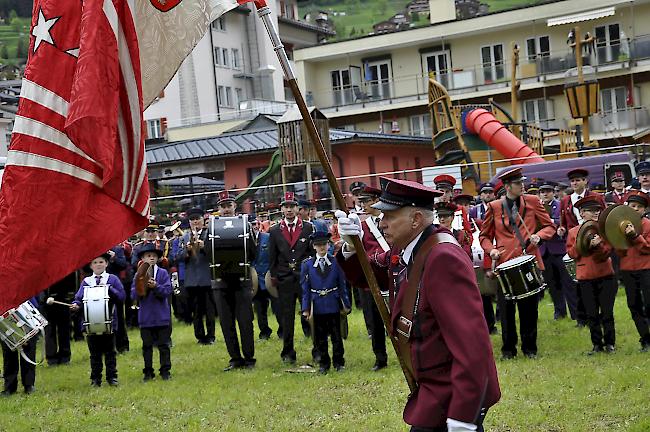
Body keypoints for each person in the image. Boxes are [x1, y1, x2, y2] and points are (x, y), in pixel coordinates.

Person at [338, 177, 500, 431]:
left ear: (415, 219)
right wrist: (350, 246)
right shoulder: (406, 247)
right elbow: (369, 275)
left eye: (390, 216)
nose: (382, 223)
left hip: (451, 393)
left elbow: (472, 344)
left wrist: (463, 415)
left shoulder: (443, 257)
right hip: (433, 390)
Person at [479, 167, 556, 359]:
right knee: (505, 310)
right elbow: (484, 236)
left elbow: (549, 226)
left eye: (523, 182)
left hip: (528, 260)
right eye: (518, 183)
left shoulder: (532, 202)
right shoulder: (495, 206)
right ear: (507, 186)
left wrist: (539, 235)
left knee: (529, 308)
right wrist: (492, 250)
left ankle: (530, 349)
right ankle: (508, 350)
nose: (523, 186)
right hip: (505, 264)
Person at [337, 185, 389, 371]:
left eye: (366, 201)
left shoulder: (391, 220)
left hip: (393, 275)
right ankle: (380, 357)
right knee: (374, 322)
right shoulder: (362, 225)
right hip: (372, 278)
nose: (363, 205)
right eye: (361, 202)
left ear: (376, 200)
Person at [212, 191, 257, 371]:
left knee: (245, 320)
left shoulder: (245, 225)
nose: (226, 209)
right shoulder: (212, 227)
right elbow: (209, 253)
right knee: (226, 322)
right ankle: (235, 358)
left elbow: (253, 252)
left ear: (234, 207)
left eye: (228, 205)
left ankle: (249, 358)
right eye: (222, 206)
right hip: (220, 282)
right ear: (218, 209)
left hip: (241, 280)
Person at [566, 195, 617, 354]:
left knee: (607, 312)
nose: (596, 213)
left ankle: (610, 343)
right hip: (586, 277)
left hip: (606, 275)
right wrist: (586, 243)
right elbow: (572, 253)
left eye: (597, 210)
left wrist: (599, 245)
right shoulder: (573, 232)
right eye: (591, 211)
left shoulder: (604, 229)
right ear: (581, 213)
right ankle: (597, 344)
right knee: (592, 313)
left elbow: (606, 253)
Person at [268, 191, 314, 364]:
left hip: (303, 278)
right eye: (286, 206)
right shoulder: (274, 230)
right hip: (284, 278)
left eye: (292, 206)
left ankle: (317, 349)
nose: (289, 210)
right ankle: (288, 352)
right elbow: (272, 257)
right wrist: (274, 276)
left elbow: (311, 253)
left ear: (297, 208)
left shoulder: (308, 227)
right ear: (282, 209)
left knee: (309, 315)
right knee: (286, 318)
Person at [71, 253, 126, 386]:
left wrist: (110, 289)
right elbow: (79, 298)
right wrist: (75, 304)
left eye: (101, 262)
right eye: (95, 262)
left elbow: (122, 297)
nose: (98, 265)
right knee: (94, 353)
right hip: (90, 322)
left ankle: (112, 376)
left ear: (106, 264)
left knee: (110, 352)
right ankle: (95, 378)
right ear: (91, 266)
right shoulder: (86, 282)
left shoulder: (112, 279)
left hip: (109, 321)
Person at [301, 231, 350, 374]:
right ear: (314, 246)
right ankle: (324, 363)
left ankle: (339, 362)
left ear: (329, 245)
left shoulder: (336, 262)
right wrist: (305, 309)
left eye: (324, 244)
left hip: (333, 303)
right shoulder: (307, 265)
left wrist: (346, 304)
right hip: (317, 306)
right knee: (319, 337)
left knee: (337, 335)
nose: (322, 247)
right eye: (318, 245)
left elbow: (342, 285)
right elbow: (305, 289)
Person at [558, 168, 596, 327]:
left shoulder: (595, 197)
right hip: (575, 243)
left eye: (578, 180)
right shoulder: (566, 200)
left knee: (593, 280)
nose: (574, 183)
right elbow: (563, 222)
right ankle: (580, 317)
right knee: (577, 280)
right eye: (572, 181)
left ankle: (595, 313)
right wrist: (561, 230)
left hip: (594, 241)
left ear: (585, 181)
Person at [131, 244, 173, 381]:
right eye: (148, 256)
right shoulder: (138, 274)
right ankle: (148, 372)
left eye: (154, 256)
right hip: (146, 317)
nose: (151, 258)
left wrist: (156, 287)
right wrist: (142, 287)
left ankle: (165, 370)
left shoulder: (162, 273)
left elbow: (167, 291)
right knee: (147, 346)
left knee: (164, 345)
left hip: (161, 316)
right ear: (142, 259)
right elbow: (134, 295)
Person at [616, 190, 650, 352]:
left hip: (646, 269)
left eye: (639, 207)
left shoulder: (647, 224)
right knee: (634, 304)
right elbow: (619, 250)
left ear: (644, 210)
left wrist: (635, 236)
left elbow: (647, 248)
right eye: (632, 206)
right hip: (628, 269)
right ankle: (645, 339)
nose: (635, 209)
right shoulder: (620, 226)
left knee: (649, 304)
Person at [538, 181, 578, 321]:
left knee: (568, 283)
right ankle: (559, 312)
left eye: (548, 191)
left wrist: (551, 222)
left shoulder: (560, 205)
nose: (545, 194)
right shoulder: (537, 207)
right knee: (552, 284)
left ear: (553, 192)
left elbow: (563, 222)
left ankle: (575, 313)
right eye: (542, 191)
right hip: (544, 250)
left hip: (559, 248)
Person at [178, 207, 217, 345]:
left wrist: (204, 247)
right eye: (192, 220)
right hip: (192, 279)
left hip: (207, 277)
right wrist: (187, 251)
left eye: (197, 219)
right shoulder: (184, 237)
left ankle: (211, 335)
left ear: (203, 220)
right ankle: (200, 336)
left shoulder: (210, 234)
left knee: (209, 309)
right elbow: (178, 257)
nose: (195, 222)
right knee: (196, 310)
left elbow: (215, 253)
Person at [1, 297, 39, 396]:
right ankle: (9, 387)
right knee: (8, 351)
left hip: (24, 309)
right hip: (4, 311)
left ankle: (29, 384)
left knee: (28, 350)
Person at [42, 272, 76, 366]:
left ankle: (65, 357)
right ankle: (51, 358)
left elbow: (72, 281)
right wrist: (44, 297)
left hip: (64, 298)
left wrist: (71, 297)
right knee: (49, 330)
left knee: (64, 329)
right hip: (47, 301)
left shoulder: (67, 266)